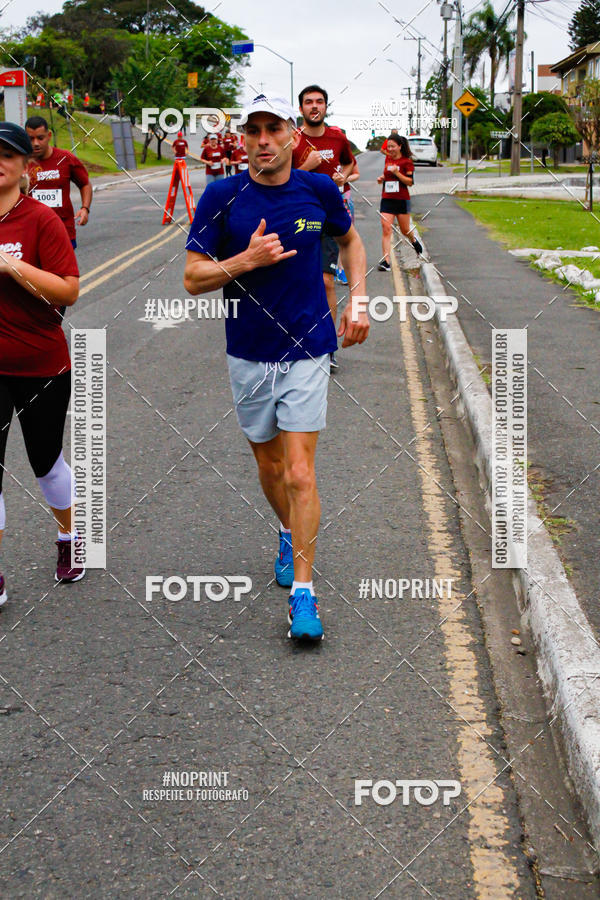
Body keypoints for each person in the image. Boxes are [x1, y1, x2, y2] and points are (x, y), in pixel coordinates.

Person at [183, 95, 369, 641]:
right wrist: (246, 261)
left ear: (293, 136)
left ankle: (305, 597)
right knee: (269, 468)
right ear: (242, 138)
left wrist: (357, 299)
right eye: (254, 130)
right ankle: (287, 530)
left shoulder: (317, 190)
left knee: (299, 472)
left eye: (274, 128)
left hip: (309, 347)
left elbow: (352, 241)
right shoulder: (221, 196)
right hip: (247, 350)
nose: (263, 139)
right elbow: (192, 278)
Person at [0, 122, 83, 607]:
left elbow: (69, 289)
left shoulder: (40, 221)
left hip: (40, 363)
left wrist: (13, 266)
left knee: (44, 459)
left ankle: (70, 536)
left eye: (7, 154)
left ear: (26, 166)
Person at [292, 85, 356, 370]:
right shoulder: (292, 140)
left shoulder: (338, 138)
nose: (314, 106)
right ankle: (296, 341)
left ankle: (327, 346)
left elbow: (351, 167)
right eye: (309, 102)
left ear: (326, 107)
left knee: (327, 281)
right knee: (296, 282)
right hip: (296, 218)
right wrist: (305, 166)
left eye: (319, 102)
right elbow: (279, 178)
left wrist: (344, 177)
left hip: (328, 216)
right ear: (301, 109)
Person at [25, 116, 92, 251]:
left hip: (63, 230)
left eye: (40, 138)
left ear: (49, 136)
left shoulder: (66, 158)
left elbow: (85, 184)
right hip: (31, 231)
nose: (36, 143)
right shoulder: (20, 161)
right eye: (31, 139)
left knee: (63, 272)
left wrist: (85, 208)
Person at [377, 133, 422, 271]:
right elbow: (386, 174)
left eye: (392, 146)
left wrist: (397, 173)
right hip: (387, 199)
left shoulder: (407, 162)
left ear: (400, 146)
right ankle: (386, 261)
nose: (389, 149)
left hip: (402, 200)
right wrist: (382, 178)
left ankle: (413, 240)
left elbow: (410, 182)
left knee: (405, 230)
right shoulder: (387, 160)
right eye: (388, 146)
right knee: (386, 228)